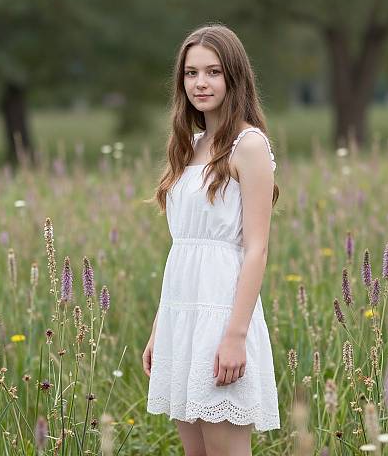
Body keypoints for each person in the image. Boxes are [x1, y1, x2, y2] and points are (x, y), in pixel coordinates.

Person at [143, 23, 281, 456]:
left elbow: (256, 247)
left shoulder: (249, 145)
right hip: (182, 316)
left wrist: (235, 335)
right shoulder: (191, 145)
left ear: (234, 77)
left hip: (223, 316)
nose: (200, 83)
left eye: (213, 72)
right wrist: (158, 328)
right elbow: (183, 251)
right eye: (191, 73)